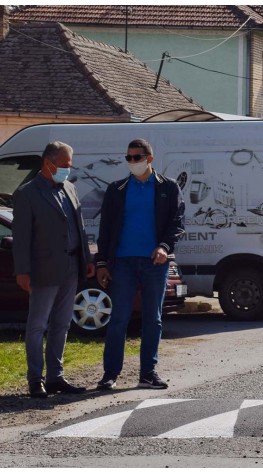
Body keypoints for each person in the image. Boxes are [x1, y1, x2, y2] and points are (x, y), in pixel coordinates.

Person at [95, 139, 184, 390]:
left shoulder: (169, 187)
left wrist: (164, 247)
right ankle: (110, 374)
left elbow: (177, 223)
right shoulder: (117, 189)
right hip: (123, 263)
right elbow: (105, 228)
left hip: (155, 263)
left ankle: (148, 373)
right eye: (129, 158)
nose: (132, 162)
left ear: (149, 159)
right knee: (119, 318)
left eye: (137, 157)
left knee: (152, 319)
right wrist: (101, 263)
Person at [11, 142, 94, 398]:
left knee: (62, 324)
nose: (68, 170)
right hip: (43, 269)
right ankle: (36, 380)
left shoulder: (70, 188)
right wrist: (22, 271)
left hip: (71, 265)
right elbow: (21, 237)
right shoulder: (27, 193)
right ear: (48, 163)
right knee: (38, 326)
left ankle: (56, 377)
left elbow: (79, 228)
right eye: (65, 165)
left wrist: (87, 258)